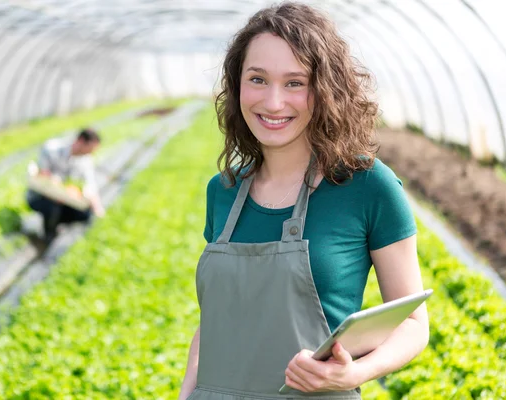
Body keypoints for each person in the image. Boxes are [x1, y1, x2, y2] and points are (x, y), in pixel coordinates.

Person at [179, 3, 429, 399]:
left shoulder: (367, 187)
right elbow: (214, 324)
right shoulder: (222, 191)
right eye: (257, 79)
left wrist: (352, 374)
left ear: (327, 90)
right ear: (236, 84)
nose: (273, 102)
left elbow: (413, 323)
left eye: (295, 83)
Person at [27, 128, 105, 242]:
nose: (91, 153)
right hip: (41, 195)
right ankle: (48, 235)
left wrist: (97, 207)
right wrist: (56, 186)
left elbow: (90, 184)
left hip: (63, 197)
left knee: (85, 213)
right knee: (52, 207)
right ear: (81, 141)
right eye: (90, 149)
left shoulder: (85, 159)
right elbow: (43, 174)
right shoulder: (52, 148)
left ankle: (56, 224)